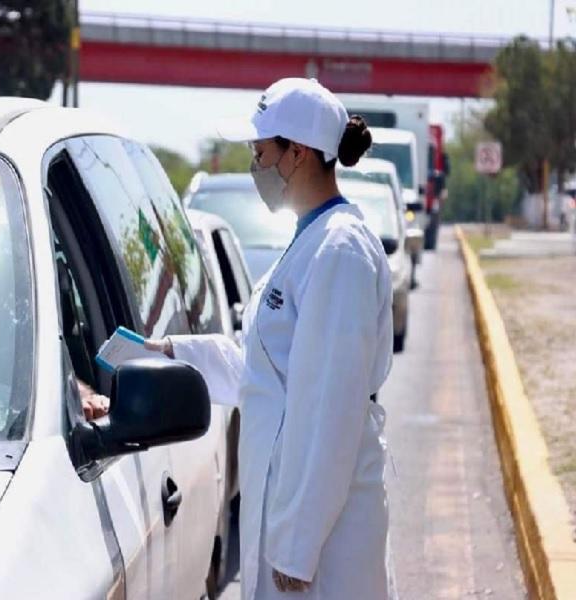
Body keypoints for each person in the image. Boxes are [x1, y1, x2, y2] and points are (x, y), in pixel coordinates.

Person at [146, 78, 394, 599]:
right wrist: (176, 353)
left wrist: (298, 544)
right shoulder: (309, 237)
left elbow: (330, 407)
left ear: (297, 153)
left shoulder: (340, 251)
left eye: (260, 154)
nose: (254, 167)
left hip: (322, 539)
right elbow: (265, 370)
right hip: (291, 513)